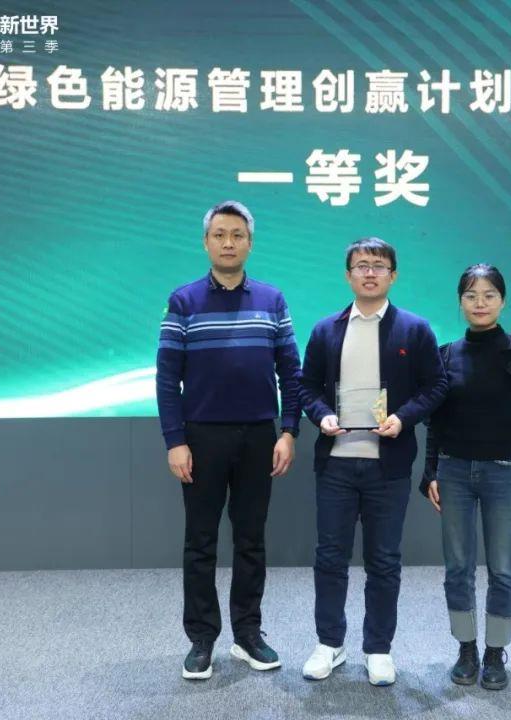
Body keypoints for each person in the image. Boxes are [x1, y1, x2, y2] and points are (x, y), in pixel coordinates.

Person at [155, 200, 302, 680]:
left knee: (251, 540)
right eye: (219, 235)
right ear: (206, 242)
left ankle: (247, 633)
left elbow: (291, 372)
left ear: (250, 243)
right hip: (201, 438)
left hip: (259, 436)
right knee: (200, 542)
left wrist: (288, 430)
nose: (228, 243)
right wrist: (175, 440)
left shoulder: (272, 300)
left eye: (237, 235)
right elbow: (166, 378)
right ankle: (201, 639)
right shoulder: (183, 301)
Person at [298, 237, 447, 686]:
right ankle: (329, 643)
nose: (369, 272)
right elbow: (306, 387)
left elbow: (436, 386)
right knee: (330, 557)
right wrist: (322, 415)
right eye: (361, 265)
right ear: (348, 275)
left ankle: (379, 648)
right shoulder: (326, 330)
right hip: (336, 465)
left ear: (392, 275)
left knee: (384, 560)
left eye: (378, 266)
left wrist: (403, 418)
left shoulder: (414, 329)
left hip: (388, 466)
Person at [420, 263, 511, 689]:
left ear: (502, 301)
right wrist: (430, 471)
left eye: (489, 295)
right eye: (471, 296)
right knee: (457, 568)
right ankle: (466, 649)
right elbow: (436, 421)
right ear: (460, 302)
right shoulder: (446, 354)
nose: (480, 303)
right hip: (454, 472)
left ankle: (495, 652)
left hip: (504, 473)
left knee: (503, 569)